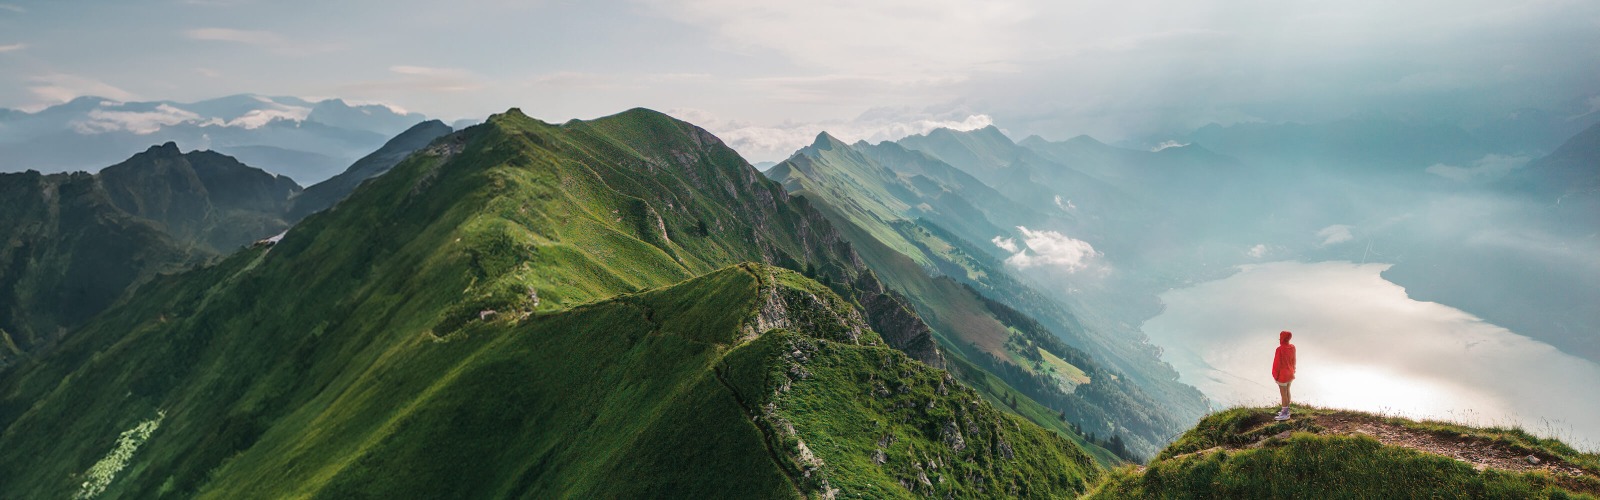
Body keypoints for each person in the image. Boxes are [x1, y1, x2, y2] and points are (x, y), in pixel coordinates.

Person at [1272, 330, 1296, 421]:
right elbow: (1293, 360)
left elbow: (1277, 363)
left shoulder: (1280, 349)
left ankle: (1285, 414)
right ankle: (1286, 409)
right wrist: (1293, 370)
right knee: (1287, 392)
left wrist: (1275, 374)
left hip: (1282, 375)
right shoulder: (1292, 347)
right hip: (1290, 373)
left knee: (1283, 394)